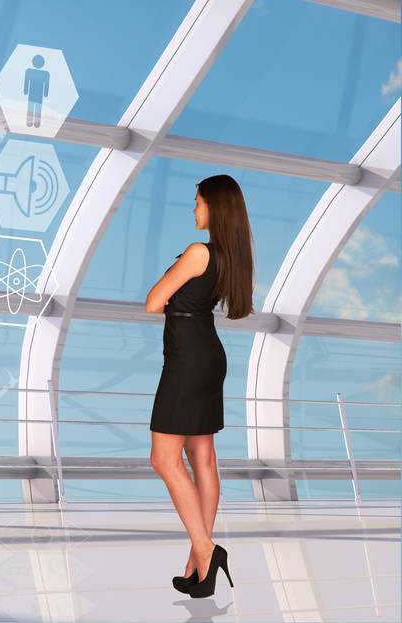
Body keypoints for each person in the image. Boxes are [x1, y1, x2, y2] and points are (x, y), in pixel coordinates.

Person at [144, 174, 254, 599]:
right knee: (203, 458)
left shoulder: (197, 252)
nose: (193, 210)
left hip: (187, 359)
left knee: (163, 459)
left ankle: (206, 550)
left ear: (214, 206)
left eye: (197, 202)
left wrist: (172, 283)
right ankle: (198, 564)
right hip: (208, 354)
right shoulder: (231, 256)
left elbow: (154, 301)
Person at [22, 54, 50, 128]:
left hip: (37, 94)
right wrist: (25, 91)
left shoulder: (45, 73)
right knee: (33, 107)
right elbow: (26, 81)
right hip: (35, 94)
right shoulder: (30, 71)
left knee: (36, 108)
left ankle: (35, 123)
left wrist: (45, 93)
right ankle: (31, 123)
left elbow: (47, 84)